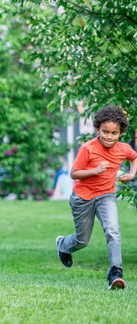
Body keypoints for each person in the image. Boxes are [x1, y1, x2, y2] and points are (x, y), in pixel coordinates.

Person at [56, 106, 137, 290]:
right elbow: (74, 173)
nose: (109, 136)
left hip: (106, 195)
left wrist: (132, 175)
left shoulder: (123, 149)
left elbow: (134, 157)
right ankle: (63, 244)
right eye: (105, 132)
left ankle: (116, 273)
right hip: (82, 198)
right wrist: (95, 170)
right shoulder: (88, 148)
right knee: (82, 240)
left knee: (113, 230)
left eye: (114, 133)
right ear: (97, 129)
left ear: (121, 133)